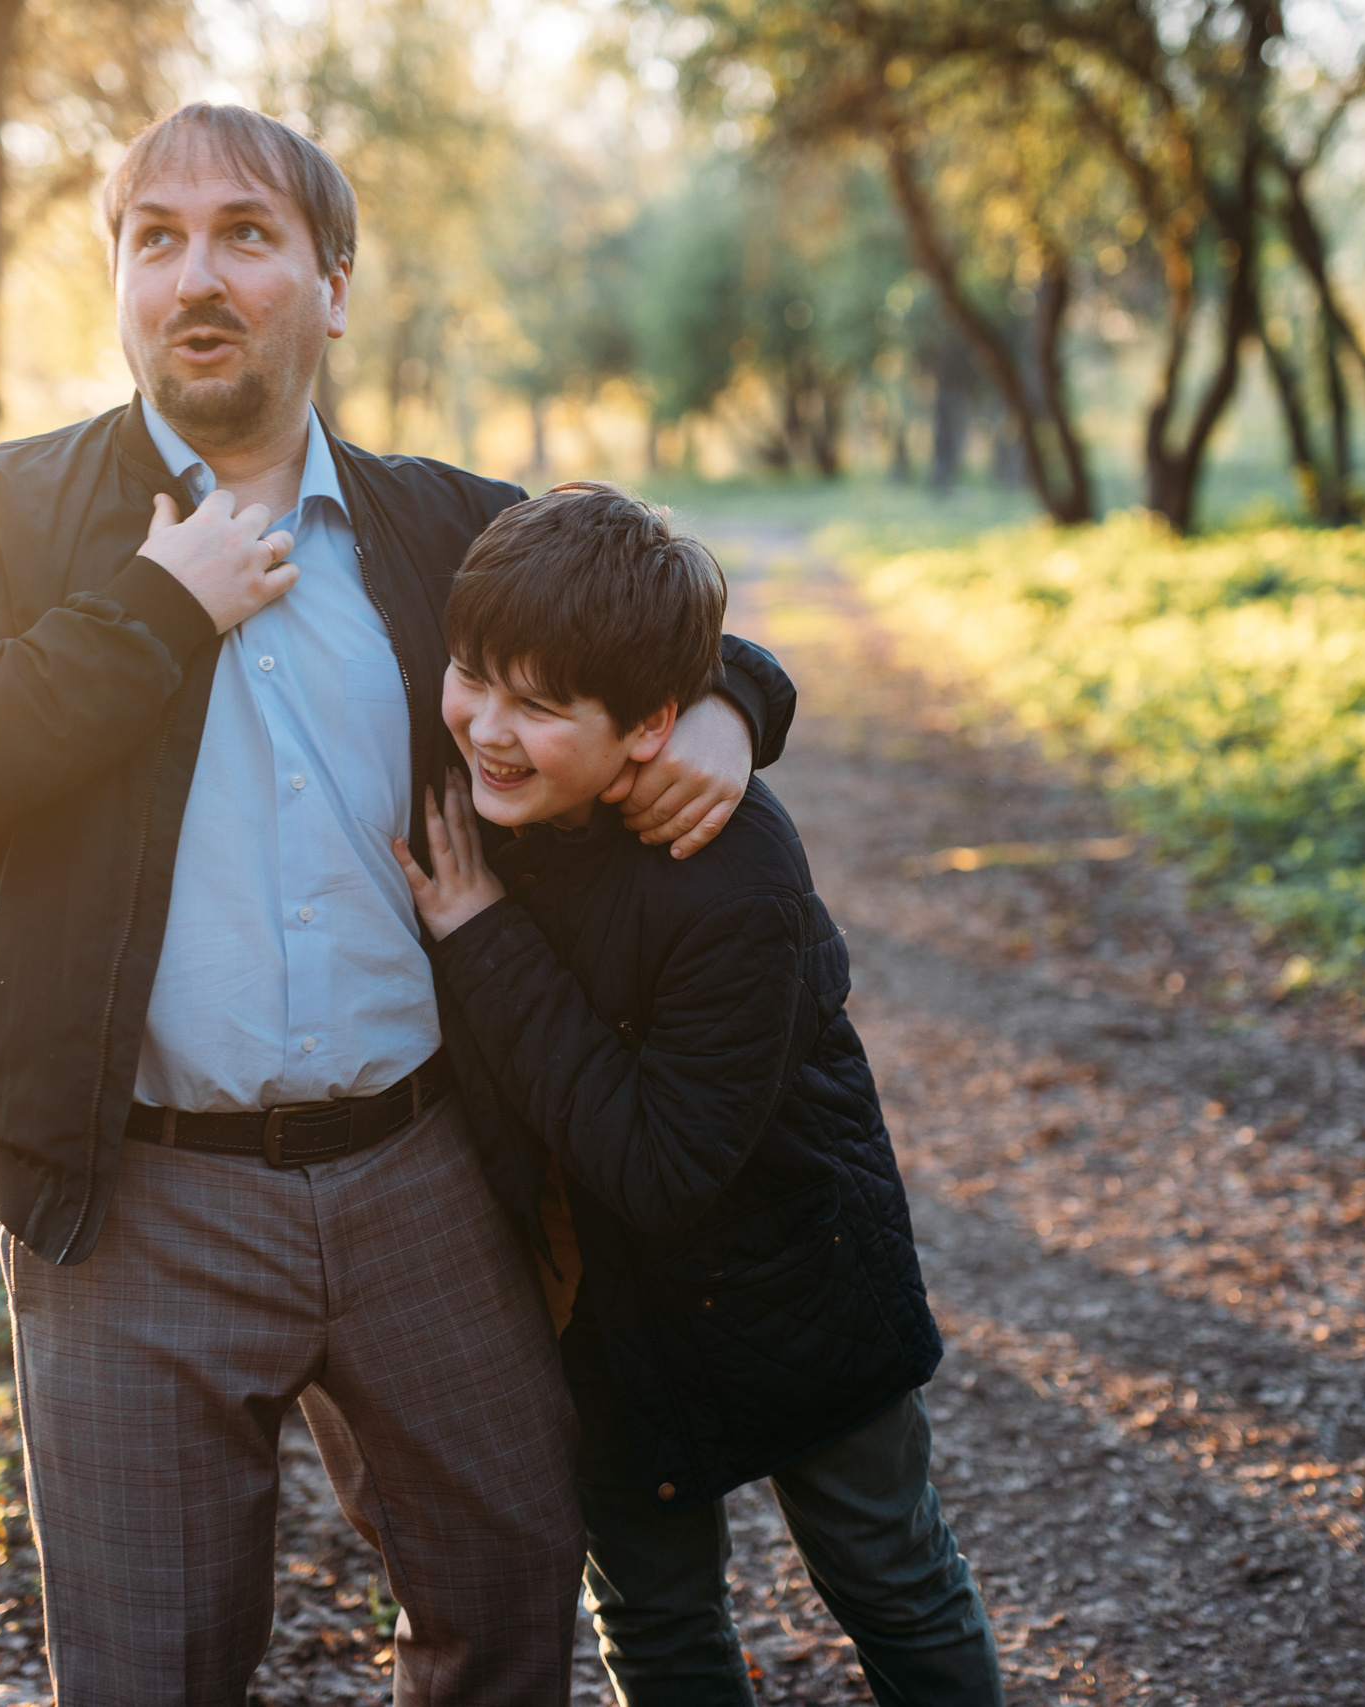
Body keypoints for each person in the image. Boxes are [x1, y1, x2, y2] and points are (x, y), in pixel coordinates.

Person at [0, 105, 796, 1706]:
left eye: (248, 235)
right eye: (158, 238)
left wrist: (725, 707)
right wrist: (159, 605)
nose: (196, 274)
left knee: (506, 1613)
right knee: (150, 1671)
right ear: (122, 285)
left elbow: (659, 616)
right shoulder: (8, 512)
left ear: (333, 285)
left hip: (425, 1170)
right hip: (131, 1195)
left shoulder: (441, 522)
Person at [394, 483, 1003, 1706]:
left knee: (887, 1570)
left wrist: (482, 936)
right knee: (654, 1616)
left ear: (648, 728)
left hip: (793, 1278)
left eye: (540, 707)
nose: (486, 729)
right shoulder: (484, 780)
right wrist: (744, 692)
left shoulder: (725, 869)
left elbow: (662, 1170)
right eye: (473, 678)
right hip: (598, 1314)